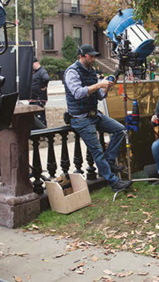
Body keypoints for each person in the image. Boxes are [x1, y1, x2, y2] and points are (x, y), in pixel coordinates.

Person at [63, 44, 131, 192]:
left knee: (120, 130)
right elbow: (77, 93)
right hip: (80, 118)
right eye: (90, 56)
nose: (93, 59)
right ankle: (114, 183)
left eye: (94, 56)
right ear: (81, 56)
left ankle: (109, 161)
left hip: (94, 114)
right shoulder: (72, 72)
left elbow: (99, 96)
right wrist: (99, 84)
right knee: (97, 151)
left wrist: (106, 87)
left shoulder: (91, 71)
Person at [29, 58, 50, 128]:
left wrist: (43, 86)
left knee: (39, 117)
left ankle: (42, 132)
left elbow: (46, 78)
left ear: (35, 63)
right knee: (34, 117)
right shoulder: (36, 72)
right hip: (34, 98)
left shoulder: (42, 71)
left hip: (38, 99)